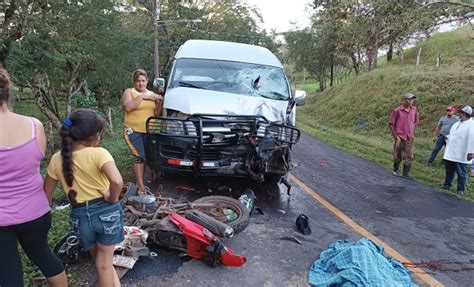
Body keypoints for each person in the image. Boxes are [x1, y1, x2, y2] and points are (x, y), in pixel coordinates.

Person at [0, 68, 67, 287]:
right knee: (44, 256)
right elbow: (35, 160)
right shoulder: (34, 125)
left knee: (8, 273)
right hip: (36, 212)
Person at [44, 109, 124, 287]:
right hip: (106, 211)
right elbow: (117, 181)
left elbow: (46, 193)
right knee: (104, 265)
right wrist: (111, 198)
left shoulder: (57, 159)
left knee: (101, 262)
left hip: (79, 216)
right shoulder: (99, 153)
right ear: (94, 136)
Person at [122, 69, 163, 195]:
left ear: (147, 81)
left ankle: (150, 182)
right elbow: (128, 107)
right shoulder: (129, 92)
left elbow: (157, 113)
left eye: (143, 81)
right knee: (140, 157)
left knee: (149, 157)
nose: (140, 83)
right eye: (138, 81)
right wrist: (142, 97)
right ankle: (140, 186)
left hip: (149, 131)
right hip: (133, 130)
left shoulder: (152, 94)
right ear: (134, 82)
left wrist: (160, 100)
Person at [442, 106, 474, 196]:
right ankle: (447, 185)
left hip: (462, 153)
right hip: (452, 151)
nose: (458, 114)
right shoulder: (457, 123)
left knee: (461, 173)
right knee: (449, 170)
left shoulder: (471, 125)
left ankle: (460, 189)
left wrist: (471, 152)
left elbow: (472, 139)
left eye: (460, 112)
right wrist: (447, 137)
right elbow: (454, 136)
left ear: (464, 114)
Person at [388, 92, 419, 178]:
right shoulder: (397, 110)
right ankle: (396, 169)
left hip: (409, 136)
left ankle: (406, 173)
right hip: (400, 136)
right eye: (409, 99)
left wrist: (412, 131)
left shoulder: (414, 109)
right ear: (405, 100)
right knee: (398, 154)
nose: (411, 101)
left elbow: (415, 121)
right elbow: (391, 124)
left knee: (409, 155)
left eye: (412, 99)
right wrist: (395, 136)